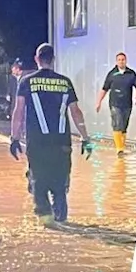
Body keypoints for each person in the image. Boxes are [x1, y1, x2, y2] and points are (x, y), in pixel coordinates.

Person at [10, 43, 92, 225]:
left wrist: (14, 138)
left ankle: (48, 226)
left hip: (37, 143)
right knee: (60, 185)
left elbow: (18, 112)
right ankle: (62, 220)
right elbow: (76, 112)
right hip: (62, 144)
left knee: (39, 182)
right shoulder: (65, 82)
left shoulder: (26, 81)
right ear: (53, 60)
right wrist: (86, 139)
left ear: (36, 59)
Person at [95, 52, 136, 155]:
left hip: (127, 104)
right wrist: (98, 101)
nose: (121, 61)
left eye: (123, 59)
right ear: (116, 61)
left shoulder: (131, 73)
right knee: (117, 124)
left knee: (124, 126)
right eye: (119, 60)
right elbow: (104, 89)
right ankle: (119, 149)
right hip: (115, 103)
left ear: (126, 60)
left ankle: (121, 147)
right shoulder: (112, 74)